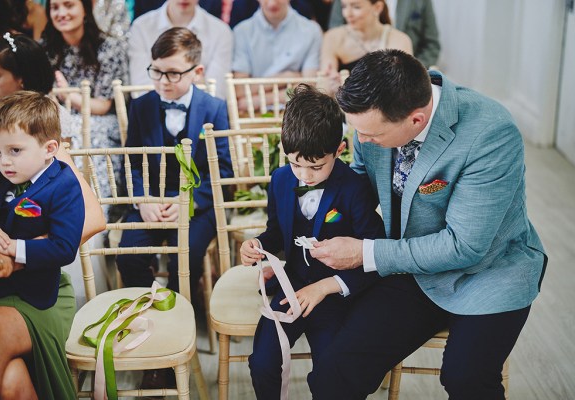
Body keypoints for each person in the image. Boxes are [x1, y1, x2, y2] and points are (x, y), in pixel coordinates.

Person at [307, 49, 547, 399]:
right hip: (413, 270)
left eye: (371, 136)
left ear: (416, 121)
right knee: (335, 371)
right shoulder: (372, 122)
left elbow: (464, 247)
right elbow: (357, 189)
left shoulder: (491, 132)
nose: (362, 142)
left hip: (489, 271)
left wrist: (365, 253)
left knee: (466, 380)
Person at [239, 84, 384, 399]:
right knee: (262, 362)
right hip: (291, 287)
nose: (304, 175)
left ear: (340, 149)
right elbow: (276, 233)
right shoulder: (279, 180)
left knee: (334, 373)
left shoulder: (355, 189)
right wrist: (257, 247)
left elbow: (375, 255)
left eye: (316, 166)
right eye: (295, 163)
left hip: (337, 297)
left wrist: (332, 285)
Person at [115, 27, 233, 389]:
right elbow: (131, 164)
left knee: (189, 253)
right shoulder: (142, 106)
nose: (163, 81)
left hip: (195, 205)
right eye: (156, 71)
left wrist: (187, 204)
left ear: (196, 71)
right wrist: (143, 201)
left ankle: (179, 333)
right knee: (128, 254)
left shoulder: (215, 108)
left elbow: (222, 171)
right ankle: (152, 329)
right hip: (150, 201)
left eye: (173, 73)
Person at [0, 91, 85, 399]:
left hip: (37, 295)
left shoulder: (63, 186)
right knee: (10, 381)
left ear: (50, 149)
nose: (4, 161)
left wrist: (14, 249)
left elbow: (64, 247)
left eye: (14, 151)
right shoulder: (5, 175)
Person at [42, 0, 128, 202]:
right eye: (55, 8)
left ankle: (93, 205)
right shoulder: (46, 49)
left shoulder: (109, 48)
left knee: (78, 130)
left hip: (100, 121)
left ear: (85, 10)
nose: (61, 13)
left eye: (69, 5)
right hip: (57, 118)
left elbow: (104, 105)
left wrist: (68, 95)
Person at [128, 0, 232, 99]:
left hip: (202, 112)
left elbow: (216, 91)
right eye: (157, 71)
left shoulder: (221, 31)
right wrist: (196, 81)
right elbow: (140, 88)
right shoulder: (141, 27)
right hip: (152, 111)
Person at [231, 0, 322, 112]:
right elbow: (240, 89)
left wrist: (256, 100)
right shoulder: (241, 31)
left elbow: (308, 88)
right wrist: (287, 77)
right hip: (253, 115)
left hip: (298, 115)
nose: (272, 3)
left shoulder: (311, 30)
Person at [328, 0, 440, 68]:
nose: (348, 13)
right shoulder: (336, 36)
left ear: (378, 7)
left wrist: (413, 69)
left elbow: (432, 45)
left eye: (356, 7)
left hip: (404, 65)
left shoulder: (401, 39)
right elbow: (336, 28)